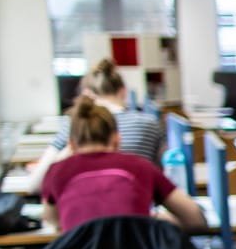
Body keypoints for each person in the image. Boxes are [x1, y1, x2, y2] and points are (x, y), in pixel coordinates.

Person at [40, 95, 206, 233]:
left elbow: (53, 220)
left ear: (71, 144)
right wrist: (152, 218)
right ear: (117, 139)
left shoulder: (56, 171)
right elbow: (194, 218)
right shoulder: (140, 166)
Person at [25, 58, 164, 192]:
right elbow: (163, 179)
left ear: (87, 94)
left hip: (83, 204)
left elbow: (34, 185)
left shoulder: (76, 124)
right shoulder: (150, 123)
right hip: (137, 204)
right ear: (123, 91)